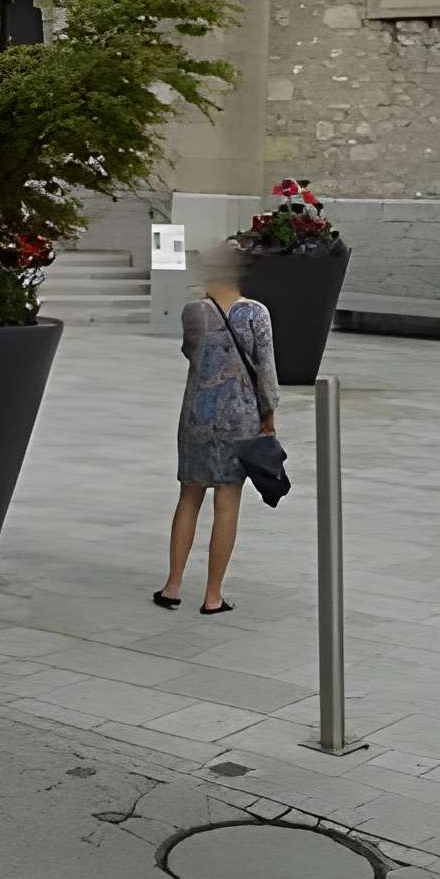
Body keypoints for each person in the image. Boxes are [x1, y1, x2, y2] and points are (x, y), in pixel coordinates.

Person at [155, 239, 280, 614]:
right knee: (227, 501)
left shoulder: (194, 312)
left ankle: (173, 585)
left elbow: (190, 352)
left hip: (196, 415)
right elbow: (267, 370)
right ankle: (213, 596)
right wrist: (268, 416)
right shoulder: (256, 314)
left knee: (189, 497)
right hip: (240, 418)